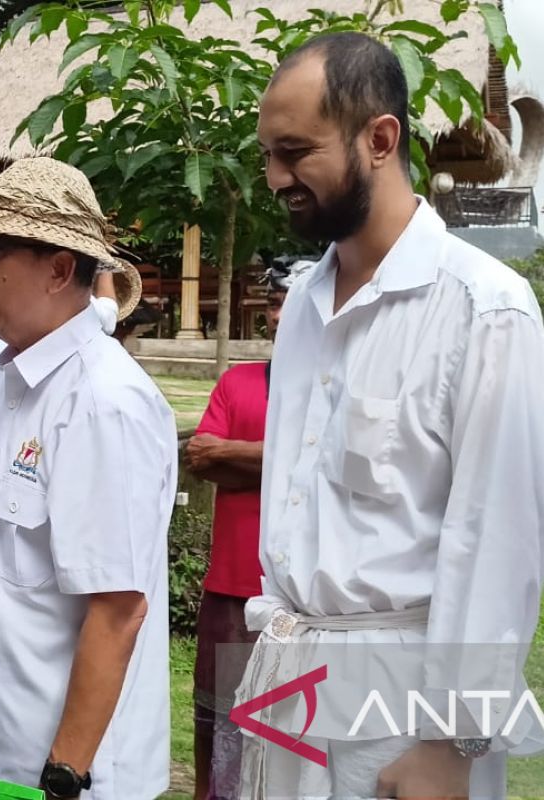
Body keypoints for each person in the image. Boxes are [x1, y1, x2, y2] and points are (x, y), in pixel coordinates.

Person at [239, 32, 544, 799]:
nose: (276, 178)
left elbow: (497, 541)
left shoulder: (485, 308)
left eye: (296, 151)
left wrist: (453, 742)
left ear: (380, 139)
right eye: (268, 155)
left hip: (403, 711)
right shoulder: (304, 305)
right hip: (291, 677)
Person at [0, 157, 177, 799]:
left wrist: (64, 774)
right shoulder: (8, 383)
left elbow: (117, 608)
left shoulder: (100, 401)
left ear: (60, 269)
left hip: (54, 772)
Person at [183, 258, 307, 800]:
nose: (278, 316)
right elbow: (202, 456)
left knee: (291, 725)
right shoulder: (238, 381)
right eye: (275, 304)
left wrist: (242, 458)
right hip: (231, 588)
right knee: (217, 717)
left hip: (300, 600)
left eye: (288, 303)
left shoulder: (328, 393)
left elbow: (328, 462)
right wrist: (290, 460)